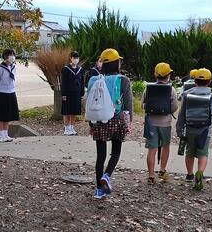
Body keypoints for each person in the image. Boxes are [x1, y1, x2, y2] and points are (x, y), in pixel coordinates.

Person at [87, 48, 133, 199]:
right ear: (117, 63)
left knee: (100, 155)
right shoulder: (123, 80)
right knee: (116, 151)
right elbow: (128, 105)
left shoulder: (95, 80)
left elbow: (89, 102)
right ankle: (107, 175)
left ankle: (99, 190)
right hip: (117, 120)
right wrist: (128, 123)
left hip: (99, 120)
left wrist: (91, 124)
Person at [176, 68, 212, 192]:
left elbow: (182, 114)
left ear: (195, 81)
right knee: (203, 153)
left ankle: (190, 174)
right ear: (209, 81)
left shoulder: (187, 95)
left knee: (189, 152)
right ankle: (200, 173)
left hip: (190, 129)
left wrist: (179, 129)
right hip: (205, 131)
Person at [142, 62, 178, 183]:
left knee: (152, 149)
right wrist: (166, 111)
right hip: (165, 123)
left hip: (151, 123)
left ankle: (151, 175)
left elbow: (143, 105)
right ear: (168, 75)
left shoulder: (148, 88)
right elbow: (174, 106)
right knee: (165, 147)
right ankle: (162, 170)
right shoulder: (171, 89)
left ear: (155, 75)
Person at [0, 48, 20, 142]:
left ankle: (6, 134)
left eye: (13, 55)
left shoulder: (13, 67)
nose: (12, 57)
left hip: (11, 92)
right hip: (1, 93)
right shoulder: (0, 68)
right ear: (5, 56)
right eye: (10, 55)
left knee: (7, 115)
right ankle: (0, 135)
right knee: (0, 115)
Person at [60, 51, 85, 135]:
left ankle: (71, 127)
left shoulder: (80, 70)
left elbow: (82, 82)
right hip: (68, 94)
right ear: (70, 58)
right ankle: (66, 128)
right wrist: (63, 94)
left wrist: (82, 93)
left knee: (74, 111)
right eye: (74, 58)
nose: (76, 59)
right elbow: (63, 82)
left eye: (77, 58)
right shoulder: (66, 69)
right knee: (67, 111)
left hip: (77, 93)